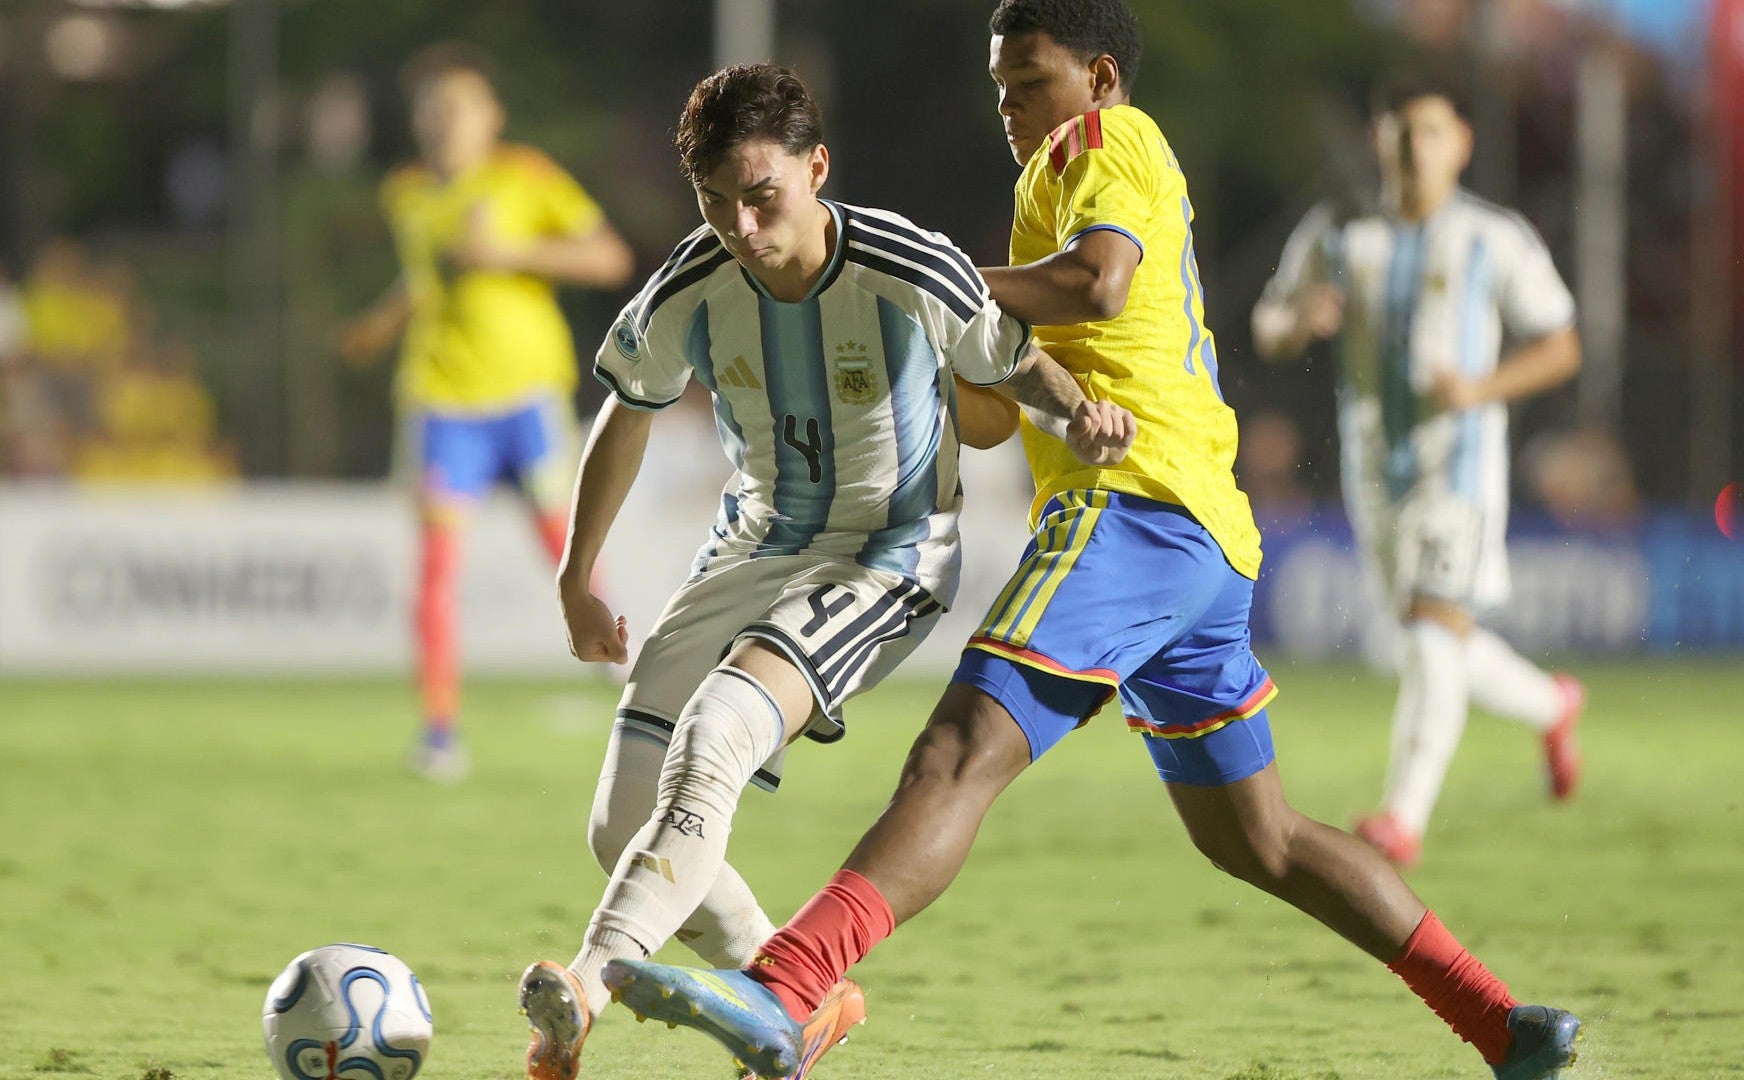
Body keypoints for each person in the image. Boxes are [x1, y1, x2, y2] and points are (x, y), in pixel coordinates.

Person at [598, 5, 1582, 1080]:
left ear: (1099, 75)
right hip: (1201, 530)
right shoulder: (1042, 188)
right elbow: (996, 402)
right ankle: (1501, 1022)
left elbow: (1099, 284)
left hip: (1136, 509)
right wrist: (937, 357)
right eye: (998, 85)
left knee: (956, 754)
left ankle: (783, 988)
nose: (1009, 107)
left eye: (1028, 80)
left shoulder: (1111, 141)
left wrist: (933, 290)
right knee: (1261, 839)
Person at [515, 63, 1129, 1080]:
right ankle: (801, 1002)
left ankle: (585, 985)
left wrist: (1082, 416)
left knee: (716, 732)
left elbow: (1014, 362)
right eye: (718, 203)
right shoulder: (694, 281)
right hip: (753, 546)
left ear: (817, 167)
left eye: (763, 196)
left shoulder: (908, 267)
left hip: (887, 554)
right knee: (622, 818)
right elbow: (629, 407)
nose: (743, 227)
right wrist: (578, 572)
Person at [1250, 77, 1586, 868]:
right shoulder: (1338, 232)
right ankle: (1552, 702)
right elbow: (1267, 323)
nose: (1415, 148)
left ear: (1460, 142)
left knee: (1434, 631)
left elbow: (1561, 344)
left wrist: (1480, 387)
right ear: (1379, 140)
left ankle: (1402, 818)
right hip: (1375, 475)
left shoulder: (1491, 238)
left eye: (1431, 132)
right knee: (1425, 646)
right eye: (1401, 131)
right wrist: (1298, 321)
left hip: (1460, 472)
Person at [338, 44, 634, 780]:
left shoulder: (524, 176)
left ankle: (624, 677)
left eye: (460, 107)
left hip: (525, 395)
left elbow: (608, 258)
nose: (444, 122)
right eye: (432, 109)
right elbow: (426, 278)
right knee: (436, 568)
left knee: (564, 549)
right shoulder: (405, 192)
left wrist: (511, 253)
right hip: (442, 402)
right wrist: (381, 322)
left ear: (490, 116)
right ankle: (439, 734)